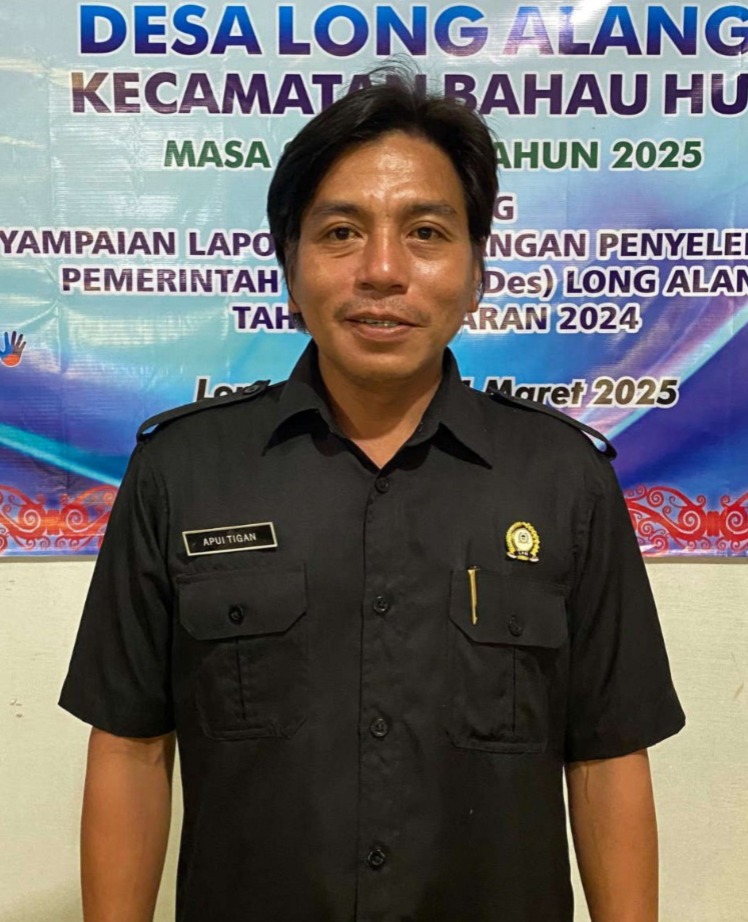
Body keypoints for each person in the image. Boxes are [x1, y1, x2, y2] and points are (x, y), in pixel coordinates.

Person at [60, 73, 685, 922]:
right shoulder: (181, 472)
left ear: (476, 272)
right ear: (289, 268)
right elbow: (130, 747)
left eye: (426, 232)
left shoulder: (564, 479)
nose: (382, 271)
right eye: (341, 232)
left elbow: (608, 757)